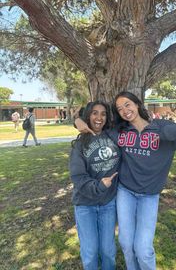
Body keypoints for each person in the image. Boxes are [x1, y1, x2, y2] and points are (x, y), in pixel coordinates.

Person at [75, 92, 176, 270]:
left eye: (127, 104)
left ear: (137, 104)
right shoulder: (120, 132)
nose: (125, 110)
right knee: (126, 244)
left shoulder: (160, 127)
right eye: (119, 109)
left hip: (149, 196)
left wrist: (168, 130)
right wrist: (78, 121)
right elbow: (95, 124)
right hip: (125, 192)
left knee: (143, 249)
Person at [70, 101, 121, 270]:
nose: (99, 117)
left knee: (107, 251)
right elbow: (78, 177)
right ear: (88, 116)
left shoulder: (112, 135)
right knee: (90, 252)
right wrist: (99, 186)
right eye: (94, 113)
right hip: (85, 204)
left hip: (108, 203)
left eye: (103, 114)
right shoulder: (79, 145)